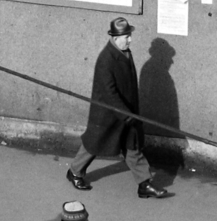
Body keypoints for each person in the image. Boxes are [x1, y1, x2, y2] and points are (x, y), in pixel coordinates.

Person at [67, 16, 166, 198]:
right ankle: (74, 172)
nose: (130, 39)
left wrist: (130, 113)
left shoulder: (126, 53)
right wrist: (126, 114)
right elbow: (109, 93)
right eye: (127, 36)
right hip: (108, 113)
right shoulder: (106, 59)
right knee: (94, 144)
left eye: (129, 35)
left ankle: (144, 184)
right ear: (115, 37)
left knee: (132, 146)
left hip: (126, 112)